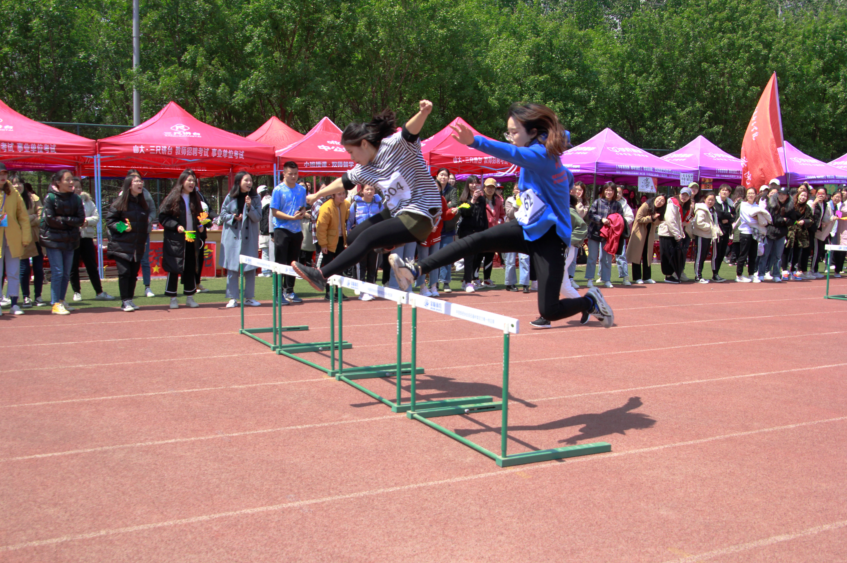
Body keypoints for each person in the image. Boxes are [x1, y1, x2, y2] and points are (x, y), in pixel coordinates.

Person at [392, 102, 613, 329]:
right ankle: (415, 269)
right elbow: (565, 175)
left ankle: (590, 301)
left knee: (549, 310)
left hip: (550, 238)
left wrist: (475, 141)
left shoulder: (540, 154)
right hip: (527, 228)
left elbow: (513, 153)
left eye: (514, 132)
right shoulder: (546, 155)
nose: (511, 137)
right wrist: (562, 182)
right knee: (475, 240)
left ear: (533, 132)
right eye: (509, 133)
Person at [292, 100, 442, 293]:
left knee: (368, 237)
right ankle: (388, 243)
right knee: (353, 237)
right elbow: (343, 181)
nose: (351, 158)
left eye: (351, 152)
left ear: (364, 144)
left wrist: (423, 113)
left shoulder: (394, 144)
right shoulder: (364, 169)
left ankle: (321, 275)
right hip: (397, 211)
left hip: (421, 212)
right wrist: (317, 195)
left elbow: (409, 131)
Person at [159, 169, 204, 309]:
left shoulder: (195, 198)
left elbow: (199, 216)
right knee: (174, 267)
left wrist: (200, 225)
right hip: (176, 238)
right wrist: (176, 225)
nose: (192, 183)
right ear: (182, 181)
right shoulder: (173, 197)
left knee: (190, 266)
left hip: (190, 235)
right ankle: (173, 298)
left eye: (193, 181)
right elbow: (163, 217)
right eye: (189, 180)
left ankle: (190, 297)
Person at [40, 170, 84, 315]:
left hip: (70, 240)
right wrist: (69, 222)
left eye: (72, 179)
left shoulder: (76, 199)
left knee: (66, 273)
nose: (71, 182)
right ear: (58, 182)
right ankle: (55, 303)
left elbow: (80, 219)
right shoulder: (50, 198)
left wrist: (63, 220)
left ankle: (61, 300)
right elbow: (50, 219)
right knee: (58, 271)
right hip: (53, 240)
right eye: (68, 180)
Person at [106, 174, 149, 311]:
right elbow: (110, 221)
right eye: (137, 181)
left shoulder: (142, 204)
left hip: (137, 245)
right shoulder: (119, 203)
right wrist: (122, 227)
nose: (140, 183)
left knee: (133, 273)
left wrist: (143, 241)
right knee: (124, 272)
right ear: (129, 185)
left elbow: (144, 226)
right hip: (121, 245)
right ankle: (124, 301)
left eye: (141, 181)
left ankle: (130, 299)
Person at [220, 172, 261, 308]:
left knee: (250, 267)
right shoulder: (230, 197)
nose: (249, 183)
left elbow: (258, 217)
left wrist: (250, 207)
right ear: (239, 182)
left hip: (249, 236)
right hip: (233, 236)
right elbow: (222, 214)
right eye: (246, 180)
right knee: (233, 268)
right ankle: (233, 297)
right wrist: (233, 217)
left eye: (250, 180)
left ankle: (249, 297)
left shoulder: (255, 198)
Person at [70, 181, 114, 302]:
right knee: (73, 266)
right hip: (73, 238)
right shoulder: (67, 201)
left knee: (92, 266)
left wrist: (86, 221)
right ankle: (76, 292)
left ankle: (99, 292)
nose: (77, 189)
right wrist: (77, 222)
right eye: (75, 187)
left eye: (79, 187)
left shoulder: (88, 202)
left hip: (87, 237)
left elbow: (96, 217)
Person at [271, 162, 307, 303]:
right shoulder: (278, 190)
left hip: (296, 230)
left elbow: (303, 207)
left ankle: (290, 291)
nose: (293, 176)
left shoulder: (301, 190)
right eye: (290, 174)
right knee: (280, 262)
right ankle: (278, 293)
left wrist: (302, 213)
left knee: (293, 262)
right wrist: (291, 217)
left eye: (295, 174)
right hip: (282, 229)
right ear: (284, 174)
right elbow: (275, 212)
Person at [0, 164, 32, 316]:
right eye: (0, 174)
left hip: (12, 237)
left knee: (13, 272)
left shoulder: (13, 192)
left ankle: (14, 303)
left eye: (4, 173)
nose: (2, 176)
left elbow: (23, 217)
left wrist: (25, 237)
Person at [585, 182, 623, 288]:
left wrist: (613, 222)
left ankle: (606, 279)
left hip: (608, 235)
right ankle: (590, 279)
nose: (608, 192)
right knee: (592, 257)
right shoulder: (597, 202)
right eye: (607, 190)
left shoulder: (617, 204)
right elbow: (591, 215)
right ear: (603, 191)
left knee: (607, 258)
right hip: (594, 232)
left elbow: (621, 218)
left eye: (611, 190)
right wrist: (601, 219)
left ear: (614, 192)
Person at [348, 184, 383, 297]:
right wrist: (350, 238)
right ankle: (362, 290)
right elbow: (350, 222)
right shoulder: (355, 204)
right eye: (367, 189)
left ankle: (371, 289)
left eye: (372, 189)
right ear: (362, 191)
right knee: (361, 265)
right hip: (360, 239)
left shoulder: (379, 204)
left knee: (373, 265)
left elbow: (384, 221)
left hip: (375, 239)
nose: (369, 191)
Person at [455, 176, 489, 292]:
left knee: (476, 257)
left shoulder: (482, 199)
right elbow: (465, 213)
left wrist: (485, 231)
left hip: (478, 231)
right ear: (467, 184)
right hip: (467, 231)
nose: (474, 185)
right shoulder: (463, 198)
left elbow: (483, 216)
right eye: (471, 183)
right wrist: (473, 200)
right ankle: (468, 282)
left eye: (476, 183)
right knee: (468, 257)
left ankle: (467, 280)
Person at [315, 190, 350, 299]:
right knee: (329, 267)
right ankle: (328, 292)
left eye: (343, 194)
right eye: (339, 194)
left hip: (340, 239)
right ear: (333, 195)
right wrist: (323, 244)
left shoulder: (345, 205)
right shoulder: (326, 207)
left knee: (340, 267)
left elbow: (347, 218)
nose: (342, 196)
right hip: (329, 241)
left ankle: (339, 291)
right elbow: (321, 228)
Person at [15, 180, 45, 307]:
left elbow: (41, 216)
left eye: (19, 182)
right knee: (24, 269)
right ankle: (26, 297)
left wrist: (26, 221)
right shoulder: (11, 199)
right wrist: (31, 217)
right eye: (14, 183)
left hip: (36, 237)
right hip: (20, 238)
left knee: (38, 268)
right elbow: (14, 220)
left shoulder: (34, 198)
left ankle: (38, 296)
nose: (17, 185)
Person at [758, 186, 793, 283]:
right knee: (765, 254)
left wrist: (786, 220)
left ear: (787, 196)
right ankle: (761, 274)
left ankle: (776, 274)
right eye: (780, 194)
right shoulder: (771, 204)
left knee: (778, 256)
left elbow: (792, 220)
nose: (781, 196)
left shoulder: (790, 207)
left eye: (783, 195)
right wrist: (783, 220)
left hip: (781, 234)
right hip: (770, 232)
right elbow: (770, 218)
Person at [627, 195, 665, 284]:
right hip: (639, 233)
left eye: (662, 201)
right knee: (637, 255)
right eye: (659, 199)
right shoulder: (646, 205)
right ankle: (637, 277)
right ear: (655, 198)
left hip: (649, 234)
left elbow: (658, 222)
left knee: (647, 255)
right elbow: (638, 218)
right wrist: (651, 218)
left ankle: (647, 277)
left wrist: (656, 219)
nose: (659, 202)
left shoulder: (660, 210)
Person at [657, 187, 689, 283]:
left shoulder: (682, 205)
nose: (684, 197)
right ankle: (668, 276)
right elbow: (670, 220)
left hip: (672, 234)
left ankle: (672, 275)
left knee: (673, 255)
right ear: (679, 194)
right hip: (667, 233)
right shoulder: (672, 204)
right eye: (683, 194)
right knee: (667, 255)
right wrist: (677, 235)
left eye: (687, 195)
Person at [735, 187, 766, 282]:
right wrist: (757, 219)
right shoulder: (743, 205)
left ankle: (751, 274)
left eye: (752, 193)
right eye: (749, 193)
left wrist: (758, 219)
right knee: (743, 254)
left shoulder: (757, 206)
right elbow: (749, 220)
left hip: (755, 233)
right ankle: (739, 275)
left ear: (756, 195)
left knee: (753, 255)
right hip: (745, 232)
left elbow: (763, 219)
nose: (750, 195)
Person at [435, 168, 459, 293]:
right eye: (441, 175)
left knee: (446, 256)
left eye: (446, 175)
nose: (443, 177)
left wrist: (444, 206)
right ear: (437, 176)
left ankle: (445, 282)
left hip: (448, 228)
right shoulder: (432, 188)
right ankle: (434, 282)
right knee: (434, 256)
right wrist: (446, 206)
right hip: (433, 228)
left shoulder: (452, 190)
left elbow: (454, 204)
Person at [783, 188, 814, 280]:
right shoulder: (791, 205)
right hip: (790, 231)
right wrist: (793, 222)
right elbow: (786, 216)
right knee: (786, 250)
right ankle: (784, 270)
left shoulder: (807, 208)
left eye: (805, 196)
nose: (803, 197)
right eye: (802, 195)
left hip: (801, 233)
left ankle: (793, 270)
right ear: (798, 195)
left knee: (797, 252)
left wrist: (804, 221)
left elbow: (811, 220)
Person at [480, 178, 505, 286]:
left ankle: (487, 278)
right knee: (479, 256)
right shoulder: (480, 199)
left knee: (490, 256)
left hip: (494, 232)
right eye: (488, 187)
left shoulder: (498, 200)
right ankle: (474, 278)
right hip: (482, 232)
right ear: (484, 188)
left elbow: (502, 215)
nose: (490, 189)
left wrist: (500, 221)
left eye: (492, 187)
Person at [691, 193, 719, 283]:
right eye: (709, 199)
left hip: (708, 236)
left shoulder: (712, 210)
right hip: (701, 235)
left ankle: (700, 275)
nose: (711, 201)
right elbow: (699, 223)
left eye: (712, 200)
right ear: (704, 199)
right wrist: (711, 227)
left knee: (703, 256)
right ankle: (698, 276)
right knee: (700, 256)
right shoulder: (701, 210)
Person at [711, 184, 734, 282]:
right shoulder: (716, 201)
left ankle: (717, 273)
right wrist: (729, 215)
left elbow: (734, 216)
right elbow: (719, 214)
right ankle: (714, 273)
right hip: (718, 230)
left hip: (726, 230)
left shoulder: (730, 202)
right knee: (716, 253)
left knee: (722, 253)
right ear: (719, 191)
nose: (724, 192)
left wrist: (728, 218)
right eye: (723, 190)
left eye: (727, 190)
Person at [810, 188, 835, 279]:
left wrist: (835, 218)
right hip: (813, 230)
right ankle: (811, 270)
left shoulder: (834, 205)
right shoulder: (813, 202)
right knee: (815, 251)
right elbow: (810, 214)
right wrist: (814, 203)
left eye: (823, 193)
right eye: (819, 193)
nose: (821, 195)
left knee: (820, 251)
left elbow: (829, 217)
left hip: (826, 230)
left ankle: (815, 270)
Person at [615, 185, 634, 286]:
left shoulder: (625, 205)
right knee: (604, 256)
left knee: (621, 255)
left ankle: (625, 276)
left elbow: (630, 217)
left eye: (619, 192)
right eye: (616, 192)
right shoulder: (606, 202)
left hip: (620, 233)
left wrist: (621, 222)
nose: (617, 194)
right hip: (607, 233)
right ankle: (602, 276)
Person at [503, 190, 519, 290]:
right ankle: (509, 283)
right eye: (516, 188)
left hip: (525, 229)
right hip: (512, 230)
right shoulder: (509, 200)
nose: (518, 190)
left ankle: (526, 284)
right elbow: (509, 214)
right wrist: (517, 203)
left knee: (525, 259)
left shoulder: (528, 198)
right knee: (510, 259)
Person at [257, 185, 274, 276]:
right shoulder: (273, 200)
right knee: (272, 252)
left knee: (265, 252)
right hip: (273, 231)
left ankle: (266, 271)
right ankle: (272, 270)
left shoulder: (261, 203)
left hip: (264, 231)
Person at [828, 191, 845, 277]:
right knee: (828, 249)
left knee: (835, 249)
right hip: (827, 230)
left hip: (835, 231)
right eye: (836, 196)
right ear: (832, 196)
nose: (837, 198)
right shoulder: (828, 205)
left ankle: (836, 269)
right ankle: (828, 265)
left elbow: (839, 217)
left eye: (839, 197)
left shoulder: (839, 206)